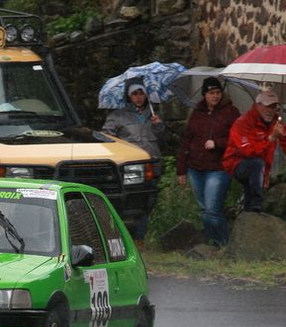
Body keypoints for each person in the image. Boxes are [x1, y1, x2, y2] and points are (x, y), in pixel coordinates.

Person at [176, 77, 240, 246]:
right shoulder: (197, 113)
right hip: (196, 168)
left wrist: (217, 143)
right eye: (211, 93)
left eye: (218, 92)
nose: (215, 96)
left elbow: (238, 139)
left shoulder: (231, 112)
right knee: (204, 209)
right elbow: (186, 141)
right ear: (205, 94)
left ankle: (223, 244)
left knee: (212, 208)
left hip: (219, 167)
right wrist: (181, 169)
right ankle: (212, 244)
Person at [102, 77, 166, 243]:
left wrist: (159, 125)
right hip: (128, 169)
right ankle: (124, 238)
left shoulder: (152, 114)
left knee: (148, 202)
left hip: (152, 165)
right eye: (135, 94)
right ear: (128, 96)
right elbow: (107, 139)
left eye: (141, 93)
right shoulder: (117, 116)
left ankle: (140, 239)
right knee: (129, 203)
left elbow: (162, 138)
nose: (139, 97)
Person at [223, 90, 286, 213]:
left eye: (273, 107)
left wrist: (283, 135)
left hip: (260, 170)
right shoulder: (243, 122)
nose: (270, 110)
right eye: (267, 106)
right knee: (256, 163)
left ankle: (249, 213)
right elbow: (247, 152)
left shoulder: (276, 124)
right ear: (258, 106)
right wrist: (271, 138)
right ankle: (256, 205)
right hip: (236, 164)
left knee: (255, 173)